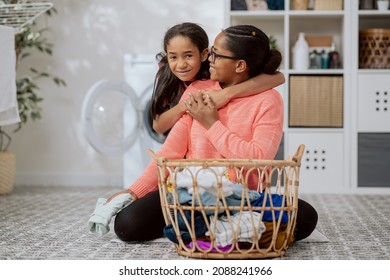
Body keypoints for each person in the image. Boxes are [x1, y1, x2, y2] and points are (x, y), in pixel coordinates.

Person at [89, 24, 318, 243]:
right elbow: (171, 153)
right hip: (190, 194)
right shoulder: (199, 89)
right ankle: (224, 229)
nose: (209, 59)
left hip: (242, 198)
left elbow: (258, 158)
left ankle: (206, 228)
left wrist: (212, 124)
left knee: (306, 216)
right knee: (127, 224)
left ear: (240, 65)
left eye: (216, 55)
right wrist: (132, 191)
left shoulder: (268, 100)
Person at [150, 22, 285, 135]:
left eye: (188, 56)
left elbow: (278, 78)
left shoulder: (213, 68)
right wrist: (188, 104)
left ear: (204, 54)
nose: (181, 64)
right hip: (178, 137)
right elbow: (158, 125)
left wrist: (225, 94)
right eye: (173, 57)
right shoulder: (167, 75)